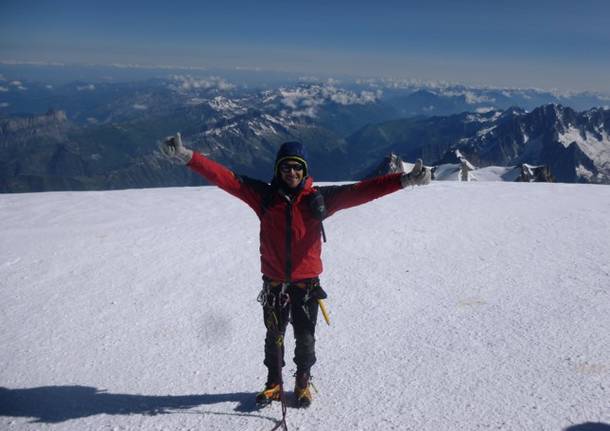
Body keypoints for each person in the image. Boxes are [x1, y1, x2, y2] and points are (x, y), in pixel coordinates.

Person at [160, 133, 430, 408]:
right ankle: (274, 384)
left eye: (297, 167)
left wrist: (403, 180)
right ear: (278, 169)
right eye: (287, 166)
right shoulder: (263, 196)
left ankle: (302, 382)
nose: (292, 172)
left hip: (305, 284)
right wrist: (187, 156)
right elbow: (225, 178)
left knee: (305, 338)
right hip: (275, 283)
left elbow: (360, 192)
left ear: (305, 171)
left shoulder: (318, 199)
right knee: (274, 337)